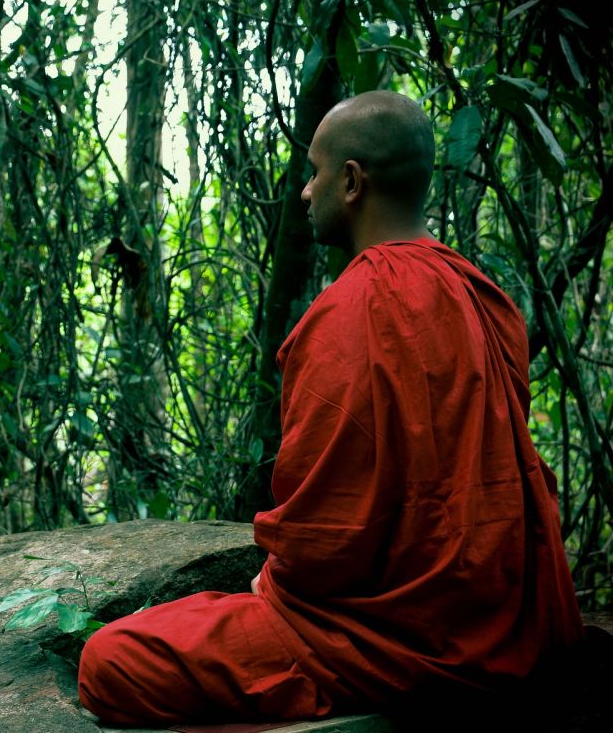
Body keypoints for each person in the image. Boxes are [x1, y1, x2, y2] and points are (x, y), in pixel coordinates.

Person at [77, 91, 584, 726]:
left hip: (396, 637)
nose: (304, 193)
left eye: (313, 172)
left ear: (350, 181)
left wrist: (272, 589)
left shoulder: (352, 311)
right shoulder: (486, 297)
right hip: (508, 622)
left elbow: (324, 545)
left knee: (113, 658)